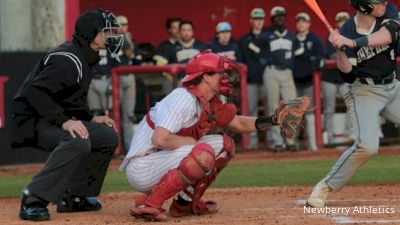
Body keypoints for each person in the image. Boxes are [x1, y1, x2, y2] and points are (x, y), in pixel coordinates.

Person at [119, 51, 309, 221]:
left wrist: (273, 120)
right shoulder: (183, 98)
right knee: (203, 153)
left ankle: (184, 204)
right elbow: (159, 139)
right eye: (220, 72)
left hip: (163, 158)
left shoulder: (210, 100)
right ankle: (150, 204)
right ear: (206, 77)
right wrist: (191, 142)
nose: (226, 77)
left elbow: (239, 123)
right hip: (142, 166)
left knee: (225, 145)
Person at [11, 9, 122, 221]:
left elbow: (70, 99)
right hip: (31, 120)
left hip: (49, 117)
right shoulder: (68, 58)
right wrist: (64, 122)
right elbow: (34, 93)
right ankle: (33, 198)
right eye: (106, 32)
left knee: (107, 136)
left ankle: (75, 196)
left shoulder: (85, 56)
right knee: (79, 141)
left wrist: (89, 118)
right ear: (92, 34)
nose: (112, 36)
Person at [306, 0, 400, 208]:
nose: (384, 2)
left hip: (392, 87)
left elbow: (390, 33)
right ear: (365, 6)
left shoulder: (389, 11)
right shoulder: (347, 29)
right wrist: (340, 48)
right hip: (364, 91)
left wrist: (353, 43)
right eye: (378, 1)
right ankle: (324, 187)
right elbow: (348, 76)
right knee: (368, 146)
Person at [263, 6, 299, 151]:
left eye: (282, 16)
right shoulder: (266, 35)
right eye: (276, 16)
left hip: (286, 73)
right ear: (272, 19)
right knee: (273, 107)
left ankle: (290, 141)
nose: (279, 18)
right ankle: (277, 141)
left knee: (292, 106)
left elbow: (297, 55)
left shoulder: (291, 36)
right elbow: (258, 54)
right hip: (271, 71)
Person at [293, 12, 324, 151]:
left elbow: (320, 60)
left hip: (310, 82)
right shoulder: (292, 39)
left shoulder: (315, 39)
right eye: (299, 21)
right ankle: (294, 144)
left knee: (310, 114)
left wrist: (306, 58)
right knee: (293, 113)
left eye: (304, 21)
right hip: (294, 83)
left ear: (308, 23)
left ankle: (313, 145)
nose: (301, 23)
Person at [238, 8, 269, 149]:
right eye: (256, 19)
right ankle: (252, 143)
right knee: (251, 112)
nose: (258, 22)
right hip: (251, 81)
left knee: (272, 110)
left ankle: (274, 142)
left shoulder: (270, 36)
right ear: (251, 21)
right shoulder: (244, 40)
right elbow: (240, 60)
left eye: (261, 19)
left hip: (268, 80)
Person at [321, 11, 353, 145]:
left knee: (352, 105)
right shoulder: (331, 36)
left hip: (344, 79)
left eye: (345, 21)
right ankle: (329, 136)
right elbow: (332, 56)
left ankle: (348, 133)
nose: (343, 23)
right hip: (330, 79)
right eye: (340, 21)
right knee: (329, 108)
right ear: (337, 24)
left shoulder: (353, 37)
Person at [114, 15, 137, 153]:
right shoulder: (109, 39)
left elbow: (132, 55)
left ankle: (129, 149)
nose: (122, 27)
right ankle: (115, 149)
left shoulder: (130, 38)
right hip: (114, 78)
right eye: (119, 24)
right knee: (113, 115)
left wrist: (127, 38)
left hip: (128, 78)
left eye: (125, 24)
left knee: (128, 115)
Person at [153, 17, 182, 94]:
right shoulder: (164, 47)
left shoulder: (186, 45)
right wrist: (176, 83)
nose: (178, 30)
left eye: (179, 27)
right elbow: (161, 68)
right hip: (173, 82)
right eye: (174, 28)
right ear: (169, 30)